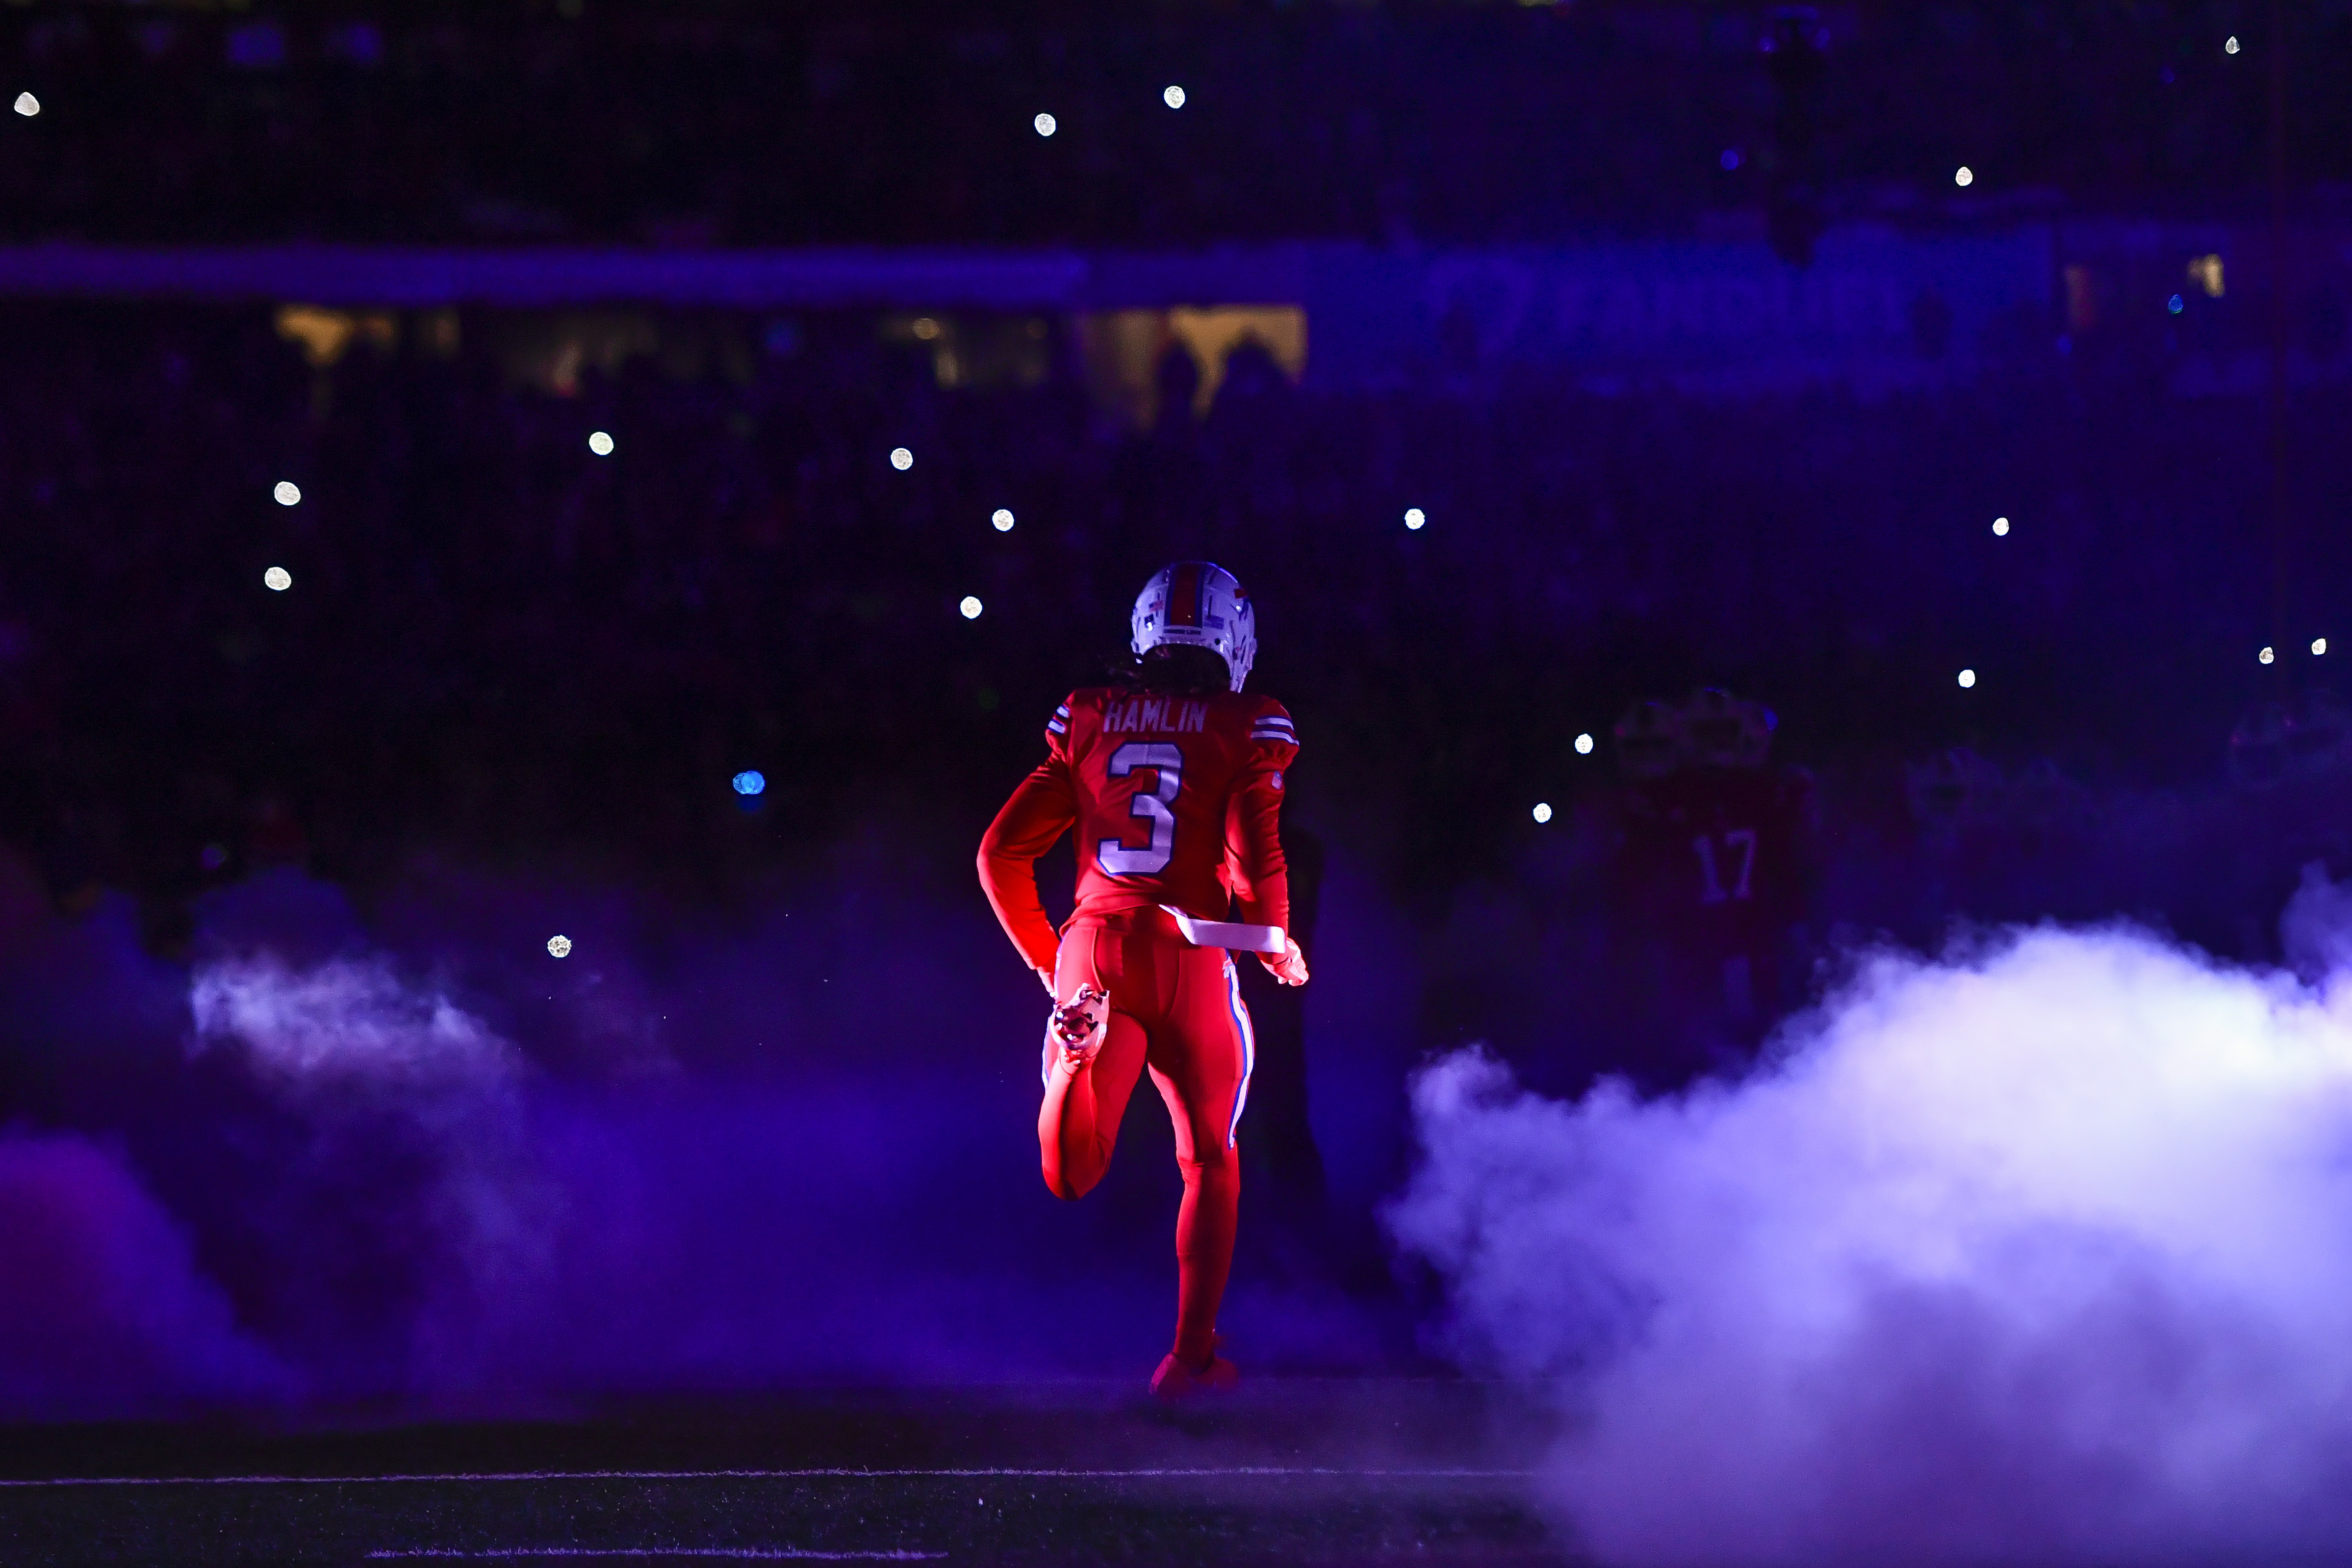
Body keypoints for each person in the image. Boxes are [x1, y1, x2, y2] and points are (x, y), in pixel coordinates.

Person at [977, 562, 1309, 1399]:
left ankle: (1075, 1058)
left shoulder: (1088, 716)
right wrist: (1271, 934)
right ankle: (1189, 1358)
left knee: (1072, 1171)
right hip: (1191, 953)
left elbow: (1000, 854)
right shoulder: (1249, 721)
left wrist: (1055, 965)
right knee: (1209, 1160)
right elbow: (1252, 848)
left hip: (1093, 951)